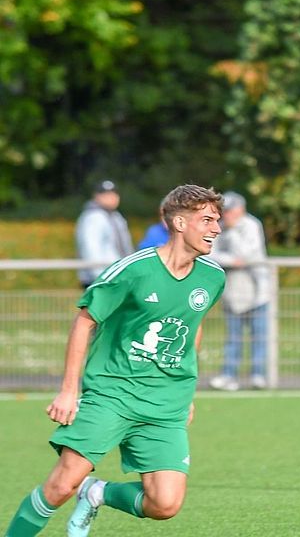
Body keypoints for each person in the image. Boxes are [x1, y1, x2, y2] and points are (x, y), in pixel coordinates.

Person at [3, 185, 225, 537]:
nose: (216, 228)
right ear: (180, 222)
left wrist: (188, 393)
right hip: (112, 393)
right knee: (60, 487)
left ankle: (98, 492)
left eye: (218, 220)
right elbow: (85, 321)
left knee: (165, 504)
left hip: (166, 405)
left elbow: (190, 329)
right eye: (208, 220)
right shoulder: (133, 270)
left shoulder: (212, 277)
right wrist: (68, 391)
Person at [207, 191, 271, 391]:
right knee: (233, 337)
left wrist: (233, 235)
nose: (227, 216)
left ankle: (258, 375)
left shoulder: (252, 225)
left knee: (259, 335)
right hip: (233, 291)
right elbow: (211, 254)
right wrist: (231, 260)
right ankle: (229, 375)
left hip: (257, 291)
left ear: (241, 210)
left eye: (231, 211)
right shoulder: (219, 227)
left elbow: (248, 254)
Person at [75, 180, 134, 289]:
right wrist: (100, 278)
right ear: (96, 196)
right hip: (103, 279)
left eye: (114, 194)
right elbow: (91, 249)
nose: (111, 197)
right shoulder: (93, 217)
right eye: (105, 194)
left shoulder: (116, 217)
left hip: (118, 276)